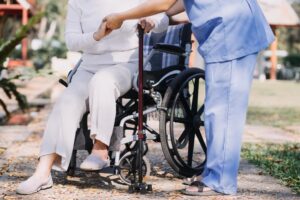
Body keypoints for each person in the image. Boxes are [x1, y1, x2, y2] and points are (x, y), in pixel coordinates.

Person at [104, 0, 274, 196]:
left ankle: (220, 180)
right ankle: (213, 171)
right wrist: (162, 15)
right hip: (227, 32)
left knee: (224, 112)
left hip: (234, 33)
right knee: (215, 111)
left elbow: (163, 2)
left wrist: (121, 17)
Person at [16, 0, 169, 195]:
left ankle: (100, 149)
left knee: (102, 81)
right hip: (89, 65)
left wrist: (152, 22)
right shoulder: (77, 2)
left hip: (126, 63)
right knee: (66, 102)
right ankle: (42, 173)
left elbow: (163, 18)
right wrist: (97, 36)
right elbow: (71, 41)